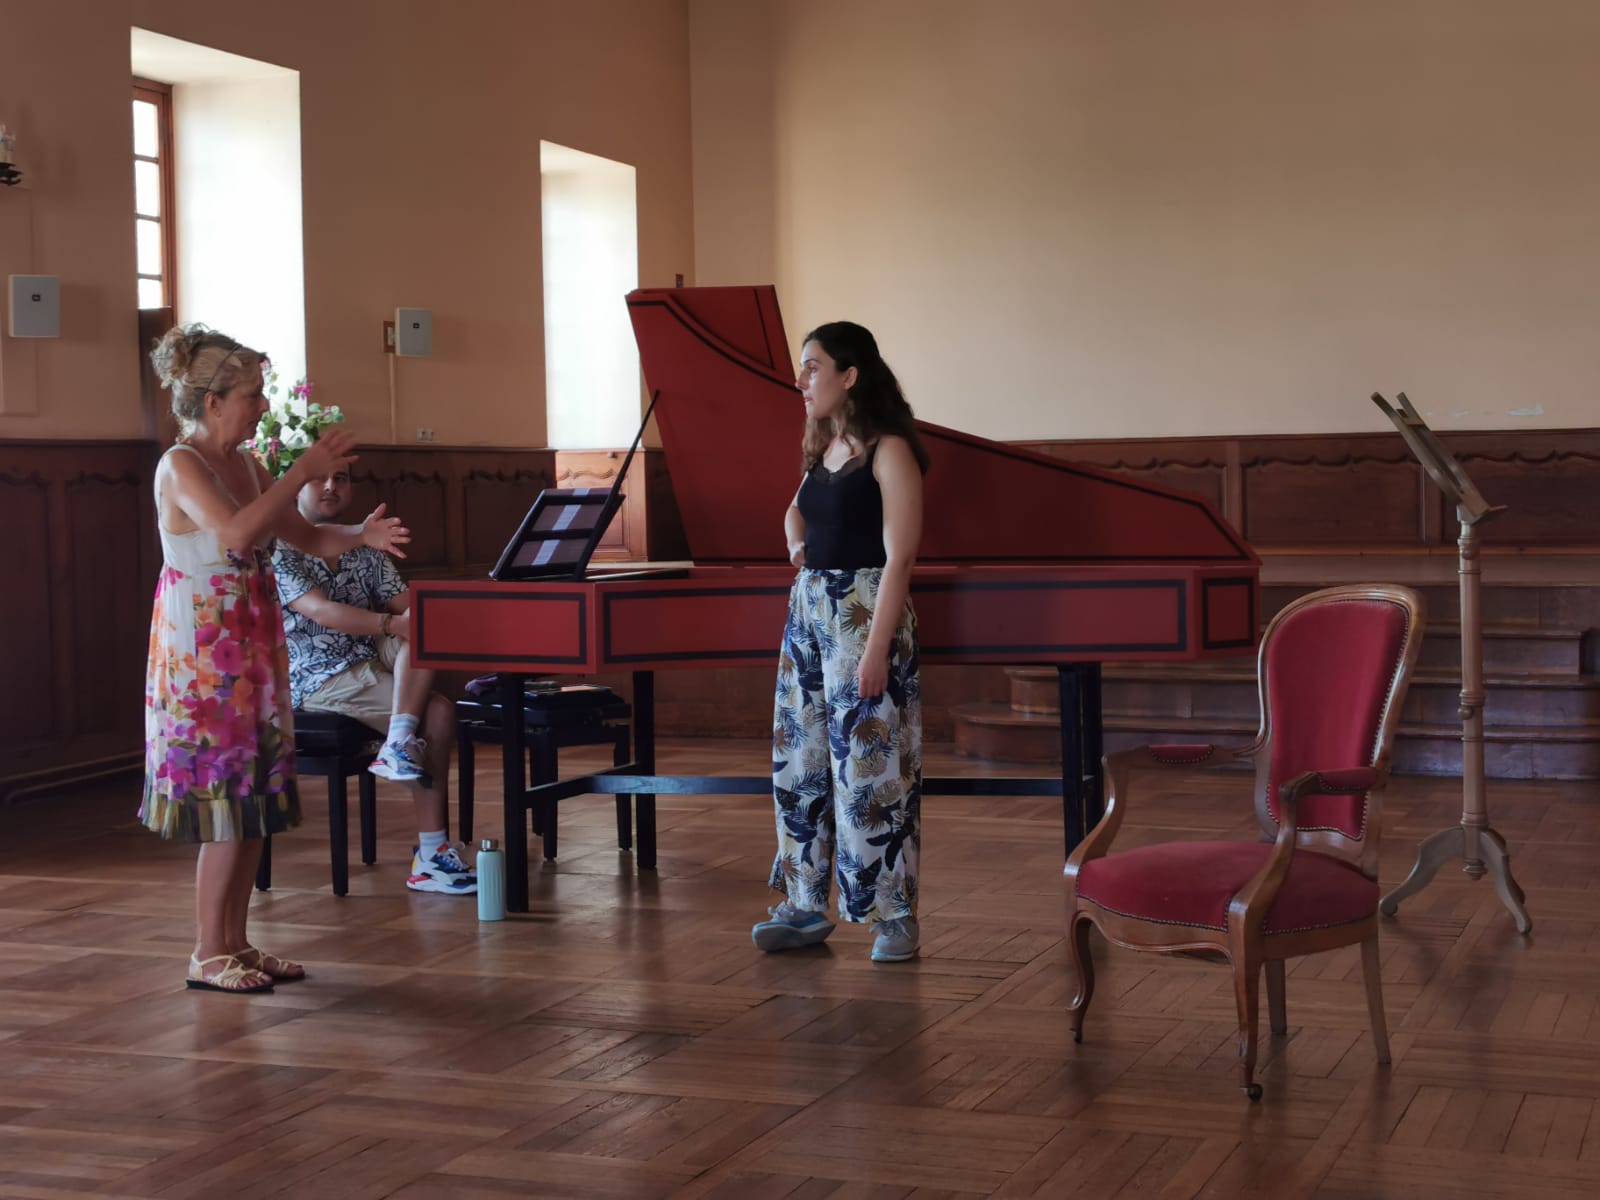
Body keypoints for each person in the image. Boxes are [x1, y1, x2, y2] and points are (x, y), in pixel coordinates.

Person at [143, 323, 409, 993]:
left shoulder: (246, 463)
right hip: (205, 649)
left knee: (257, 789)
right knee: (227, 797)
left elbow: (306, 535)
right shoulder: (181, 464)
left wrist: (361, 533)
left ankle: (237, 941)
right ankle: (207, 951)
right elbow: (236, 535)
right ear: (212, 402)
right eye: (253, 394)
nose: (262, 406)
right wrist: (300, 471)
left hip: (252, 637)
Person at [754, 321, 930, 963]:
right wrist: (795, 537)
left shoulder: (889, 451)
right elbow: (796, 506)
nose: (802, 380)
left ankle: (894, 917)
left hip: (864, 617)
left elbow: (901, 556)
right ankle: (804, 904)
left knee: (871, 772)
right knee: (800, 764)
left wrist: (878, 648)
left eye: (812, 366)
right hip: (809, 617)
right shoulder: (825, 447)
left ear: (849, 375)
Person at [273, 466, 475, 895]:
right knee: (436, 714)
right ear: (294, 487)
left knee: (422, 627)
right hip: (319, 674)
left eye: (342, 478)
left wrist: (453, 611)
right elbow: (323, 612)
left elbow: (406, 605)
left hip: (368, 656)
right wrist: (392, 623)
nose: (331, 486)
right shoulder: (280, 548)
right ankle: (431, 856)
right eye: (317, 478)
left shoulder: (364, 543)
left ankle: (398, 741)